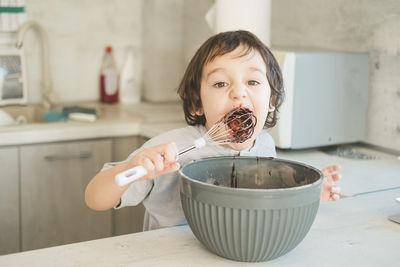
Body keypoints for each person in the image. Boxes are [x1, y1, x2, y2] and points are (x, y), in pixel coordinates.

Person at [85, 30, 341, 231]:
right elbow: (95, 199)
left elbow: (265, 204)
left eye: (252, 81)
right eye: (220, 83)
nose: (239, 92)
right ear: (197, 102)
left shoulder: (264, 146)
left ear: (272, 99)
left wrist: (308, 196)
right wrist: (131, 170)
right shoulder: (167, 151)